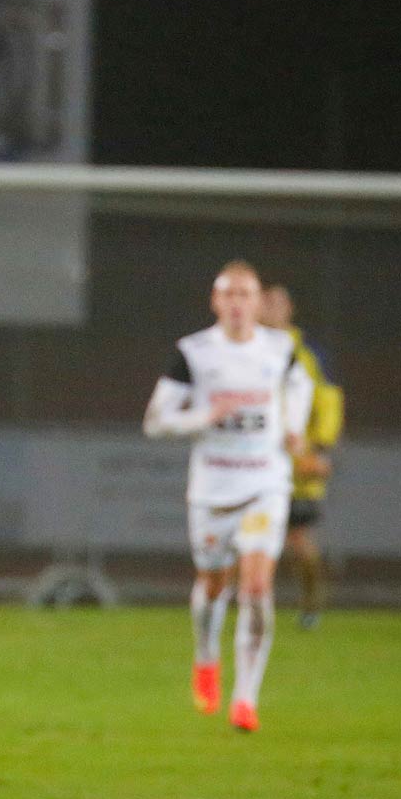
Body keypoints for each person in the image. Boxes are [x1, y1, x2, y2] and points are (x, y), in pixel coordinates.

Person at [144, 260, 311, 732]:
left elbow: (301, 385)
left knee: (256, 588)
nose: (238, 303)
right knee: (215, 585)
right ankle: (206, 656)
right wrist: (204, 415)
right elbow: (155, 421)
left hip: (265, 486)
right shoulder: (194, 353)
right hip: (213, 490)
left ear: (259, 302)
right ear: (216, 302)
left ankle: (245, 699)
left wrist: (294, 430)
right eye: (229, 294)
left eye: (246, 294)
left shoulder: (281, 349)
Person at [259, 283, 344, 629]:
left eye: (278, 303)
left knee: (299, 542)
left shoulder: (308, 356)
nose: (271, 309)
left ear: (290, 308)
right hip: (255, 462)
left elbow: (329, 404)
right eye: (266, 303)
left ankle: (311, 606)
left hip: (296, 462)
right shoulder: (248, 350)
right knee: (242, 540)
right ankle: (236, 609)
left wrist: (320, 449)